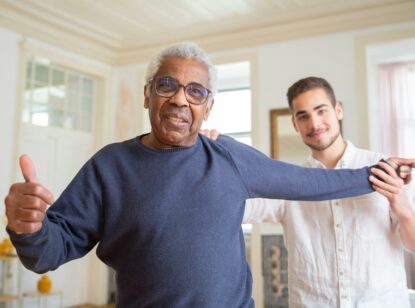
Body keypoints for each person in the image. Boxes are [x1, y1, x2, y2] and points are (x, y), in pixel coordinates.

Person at [4, 44, 414, 308]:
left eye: (195, 91)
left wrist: (380, 172)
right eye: (167, 85)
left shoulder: (229, 159)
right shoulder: (109, 166)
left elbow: (308, 182)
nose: (181, 98)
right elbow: (47, 252)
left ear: (208, 106)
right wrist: (27, 227)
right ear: (148, 95)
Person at [242, 77, 415, 307]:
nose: (314, 123)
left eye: (321, 111)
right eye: (303, 116)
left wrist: (401, 207)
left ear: (338, 110)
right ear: (295, 124)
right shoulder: (287, 184)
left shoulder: (386, 170)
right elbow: (235, 207)